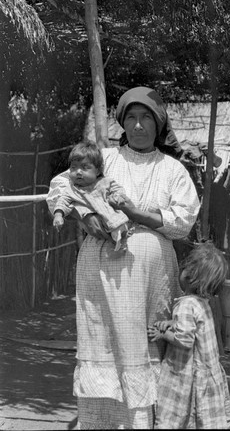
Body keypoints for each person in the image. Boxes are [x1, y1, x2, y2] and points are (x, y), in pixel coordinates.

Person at [46, 86, 200, 429]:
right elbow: (61, 186)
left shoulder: (172, 170)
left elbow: (183, 223)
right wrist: (85, 217)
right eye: (131, 117)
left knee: (146, 341)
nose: (139, 125)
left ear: (158, 125)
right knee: (103, 340)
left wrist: (135, 212)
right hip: (100, 273)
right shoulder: (106, 160)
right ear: (123, 122)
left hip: (149, 280)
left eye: (146, 117)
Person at [147, 241, 230, 429]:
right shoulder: (203, 302)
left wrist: (162, 333)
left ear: (189, 276)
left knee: (178, 415)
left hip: (186, 371)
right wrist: (172, 323)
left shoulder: (186, 304)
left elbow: (184, 340)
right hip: (208, 370)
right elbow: (195, 327)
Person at [51, 141, 131, 251]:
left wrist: (118, 197)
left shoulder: (104, 182)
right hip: (95, 227)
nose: (78, 172)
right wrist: (58, 215)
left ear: (98, 171)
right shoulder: (72, 189)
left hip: (112, 216)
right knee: (110, 234)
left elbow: (117, 189)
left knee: (120, 225)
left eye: (85, 168)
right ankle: (118, 244)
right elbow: (62, 201)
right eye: (73, 168)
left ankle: (122, 238)